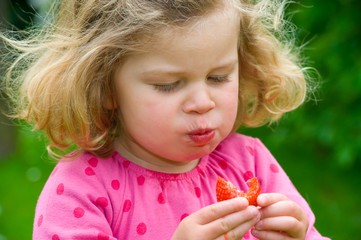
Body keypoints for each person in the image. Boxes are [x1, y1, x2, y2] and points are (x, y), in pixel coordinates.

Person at [1, 0, 330, 239]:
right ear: (105, 88)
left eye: (218, 77)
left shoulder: (249, 162)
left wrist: (300, 235)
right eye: (167, 85)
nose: (202, 103)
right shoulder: (81, 192)